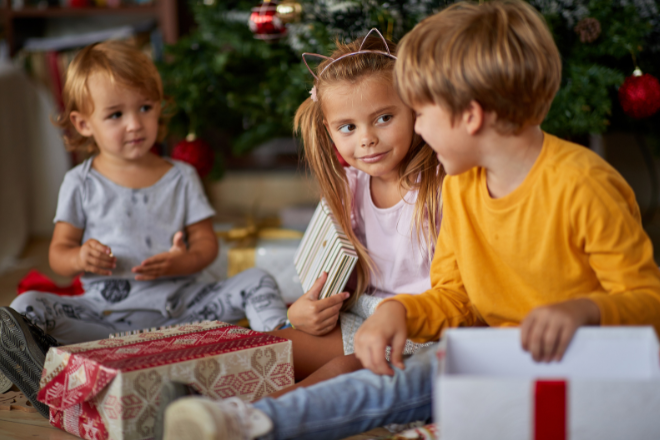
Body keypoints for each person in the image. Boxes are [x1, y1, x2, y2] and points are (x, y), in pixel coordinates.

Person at [160, 1, 660, 439]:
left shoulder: (583, 184)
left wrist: (583, 312)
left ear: (470, 116)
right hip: (494, 361)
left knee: (403, 380)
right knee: (404, 379)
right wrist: (401, 313)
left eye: (419, 113)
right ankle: (243, 423)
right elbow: (455, 295)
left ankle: (257, 425)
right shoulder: (464, 187)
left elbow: (649, 303)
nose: (415, 128)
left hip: (581, 368)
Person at [0, 41, 288, 418]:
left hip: (182, 314)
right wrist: (80, 257)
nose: (135, 124)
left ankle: (281, 346)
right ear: (84, 123)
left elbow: (207, 246)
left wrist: (181, 262)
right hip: (103, 321)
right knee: (26, 306)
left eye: (145, 108)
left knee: (258, 280)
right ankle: (45, 374)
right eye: (116, 114)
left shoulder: (181, 177)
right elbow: (59, 255)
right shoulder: (80, 182)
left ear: (158, 108)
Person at [267, 29, 444, 392]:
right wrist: (299, 312)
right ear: (329, 131)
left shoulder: (441, 183)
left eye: (383, 118)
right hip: (361, 315)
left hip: (423, 329)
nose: (366, 138)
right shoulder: (350, 186)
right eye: (347, 127)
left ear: (414, 109)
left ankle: (254, 419)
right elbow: (329, 277)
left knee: (345, 371)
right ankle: (197, 404)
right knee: (270, 349)